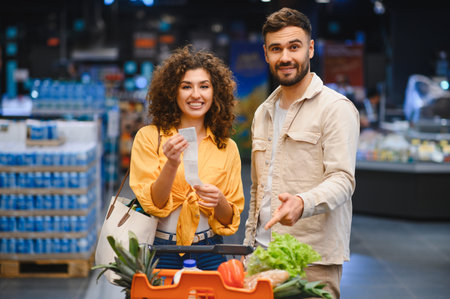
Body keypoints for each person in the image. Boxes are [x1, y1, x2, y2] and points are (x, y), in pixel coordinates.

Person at [243, 8, 360, 298]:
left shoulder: (336, 108)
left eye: (294, 47)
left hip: (312, 259)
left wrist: (301, 202)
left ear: (309, 48)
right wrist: (247, 249)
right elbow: (259, 189)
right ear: (266, 54)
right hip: (261, 256)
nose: (285, 57)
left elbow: (343, 180)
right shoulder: (262, 113)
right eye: (276, 49)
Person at [129, 46, 245, 270]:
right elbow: (155, 205)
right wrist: (171, 163)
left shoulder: (227, 147)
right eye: (186, 87)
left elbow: (229, 219)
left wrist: (220, 200)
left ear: (215, 92)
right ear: (173, 92)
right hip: (160, 249)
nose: (196, 94)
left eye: (204, 86)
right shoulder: (150, 137)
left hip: (210, 251)